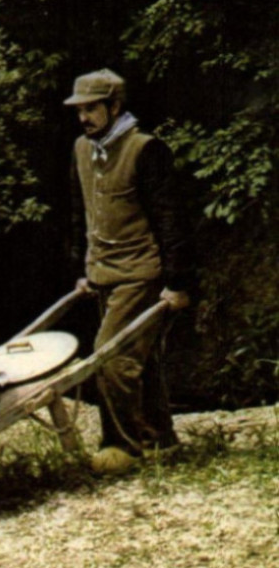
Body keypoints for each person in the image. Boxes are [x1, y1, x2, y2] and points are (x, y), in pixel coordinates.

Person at [64, 69, 194, 475]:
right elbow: (79, 213)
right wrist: (81, 268)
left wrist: (177, 281)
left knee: (112, 358)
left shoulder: (145, 149)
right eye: (79, 109)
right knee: (142, 359)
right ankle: (160, 438)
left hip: (142, 273)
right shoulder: (83, 150)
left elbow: (171, 218)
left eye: (92, 108)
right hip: (103, 272)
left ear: (114, 106)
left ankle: (123, 446)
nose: (84, 117)